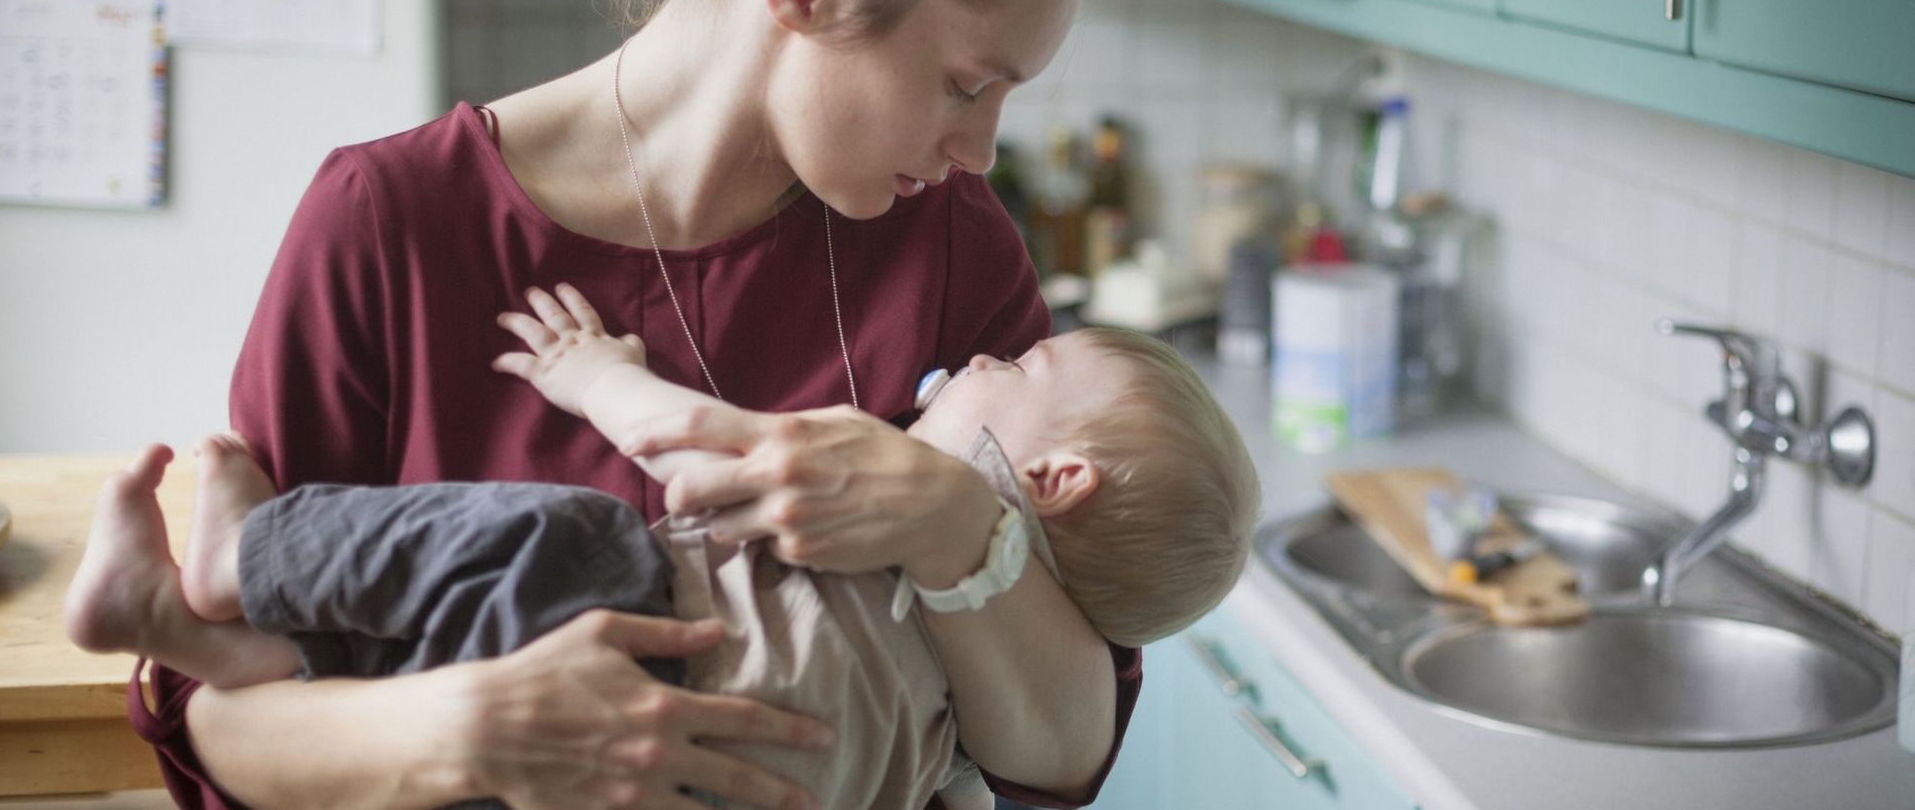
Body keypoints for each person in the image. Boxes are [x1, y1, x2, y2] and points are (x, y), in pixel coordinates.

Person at [128, 0, 1141, 807]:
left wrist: (957, 524)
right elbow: (218, 708)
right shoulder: (388, 223)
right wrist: (468, 730)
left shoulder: (950, 241)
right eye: (967, 86)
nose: (979, 151)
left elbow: (1065, 749)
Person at [68, 283, 1258, 810]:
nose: (991, 355)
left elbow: (695, 451)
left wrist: (598, 377)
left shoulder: (911, 486)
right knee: (420, 685)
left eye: (1024, 366)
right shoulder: (965, 709)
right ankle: (194, 638)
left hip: (649, 649)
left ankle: (247, 558)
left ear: (1052, 480)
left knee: (567, 535)